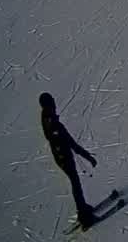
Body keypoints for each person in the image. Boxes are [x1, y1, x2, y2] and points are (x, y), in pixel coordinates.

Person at [39, 92, 99, 228]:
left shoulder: (47, 118)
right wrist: (88, 157)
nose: (55, 103)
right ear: (48, 104)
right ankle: (84, 215)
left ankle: (82, 208)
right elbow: (71, 143)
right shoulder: (53, 124)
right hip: (63, 157)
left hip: (61, 157)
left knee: (75, 182)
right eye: (52, 101)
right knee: (76, 183)